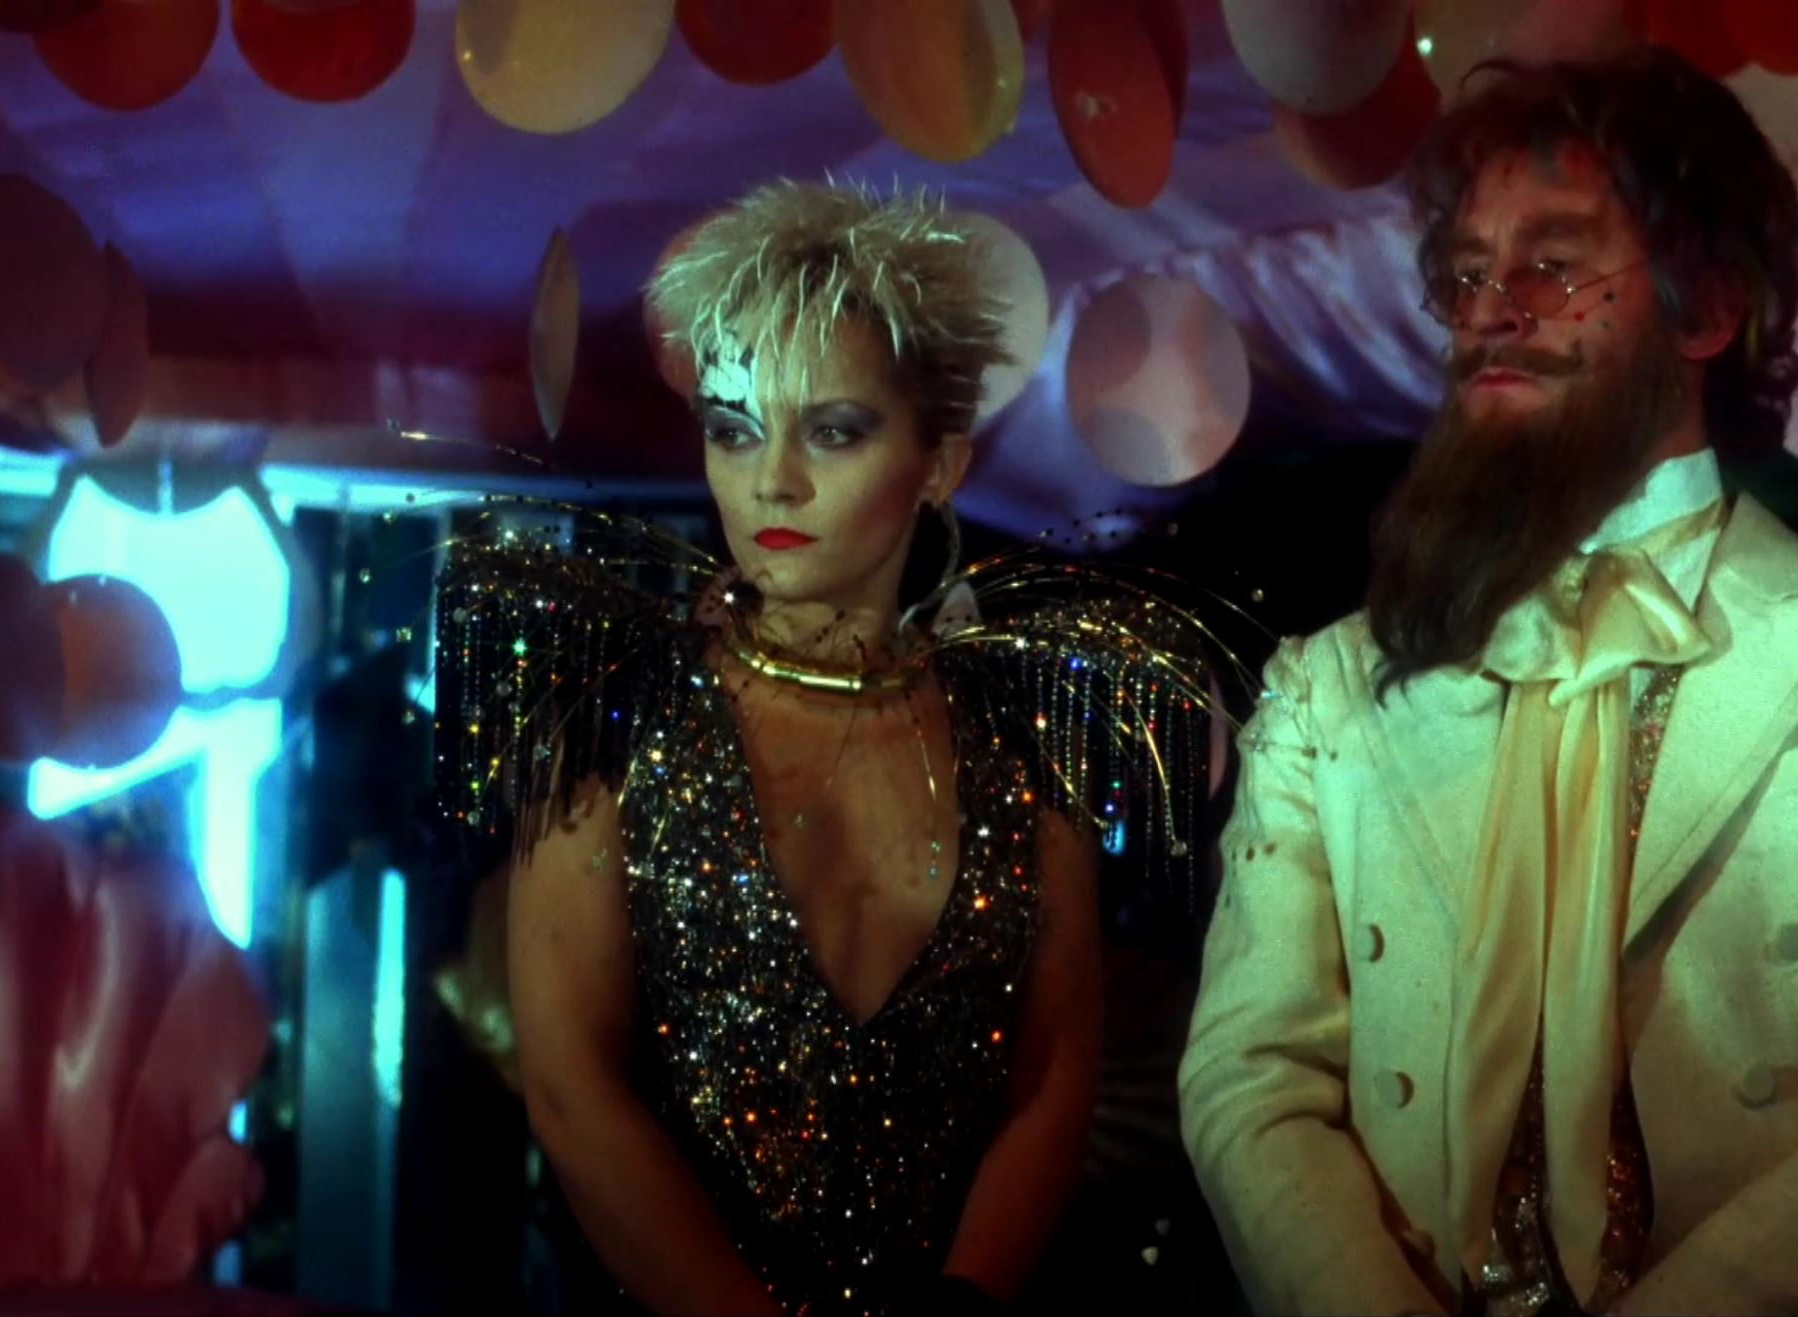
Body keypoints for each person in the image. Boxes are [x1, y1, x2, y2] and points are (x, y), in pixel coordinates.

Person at [1179, 47, 1798, 1317]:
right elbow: (1249, 1080)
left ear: (1707, 307)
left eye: (1551, 263)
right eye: (1465, 274)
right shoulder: (1325, 688)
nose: (1490, 310)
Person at [434, 182, 1217, 1317]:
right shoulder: (614, 718)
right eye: (734, 428)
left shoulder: (1022, 742)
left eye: (834, 429)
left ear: (939, 465)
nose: (774, 478)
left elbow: (1053, 1079)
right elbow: (570, 1093)